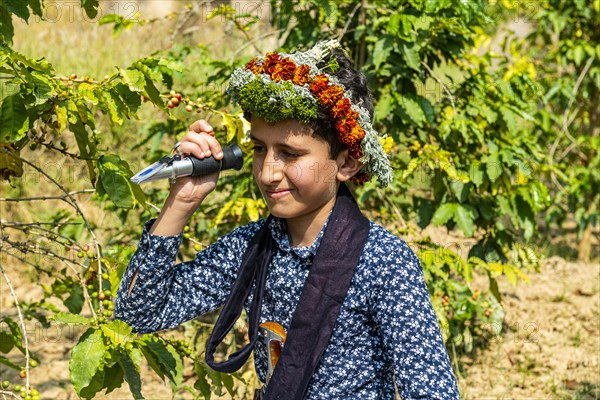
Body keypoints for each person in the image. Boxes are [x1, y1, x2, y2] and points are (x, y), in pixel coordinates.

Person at [115, 40, 460, 399]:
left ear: (346, 163)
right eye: (261, 149)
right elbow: (136, 315)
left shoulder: (383, 262)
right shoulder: (251, 247)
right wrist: (180, 204)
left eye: (291, 154)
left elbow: (431, 389)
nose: (268, 173)